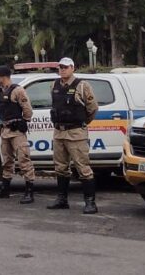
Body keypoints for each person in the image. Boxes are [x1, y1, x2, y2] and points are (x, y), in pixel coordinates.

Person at [47, 58, 99, 214]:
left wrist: (82, 122)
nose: (62, 69)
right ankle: (62, 199)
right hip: (59, 132)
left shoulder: (82, 86)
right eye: (60, 67)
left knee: (83, 168)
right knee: (60, 167)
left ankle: (90, 203)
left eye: (65, 67)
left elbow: (93, 108)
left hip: (76, 133)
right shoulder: (54, 85)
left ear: (72, 68)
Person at [0, 66, 36, 204]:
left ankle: (29, 191)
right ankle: (5, 189)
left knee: (23, 159)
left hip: (16, 131)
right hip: (5, 130)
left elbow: (27, 109)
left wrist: (24, 122)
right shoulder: (0, 91)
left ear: (2, 76)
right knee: (7, 161)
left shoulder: (17, 90)